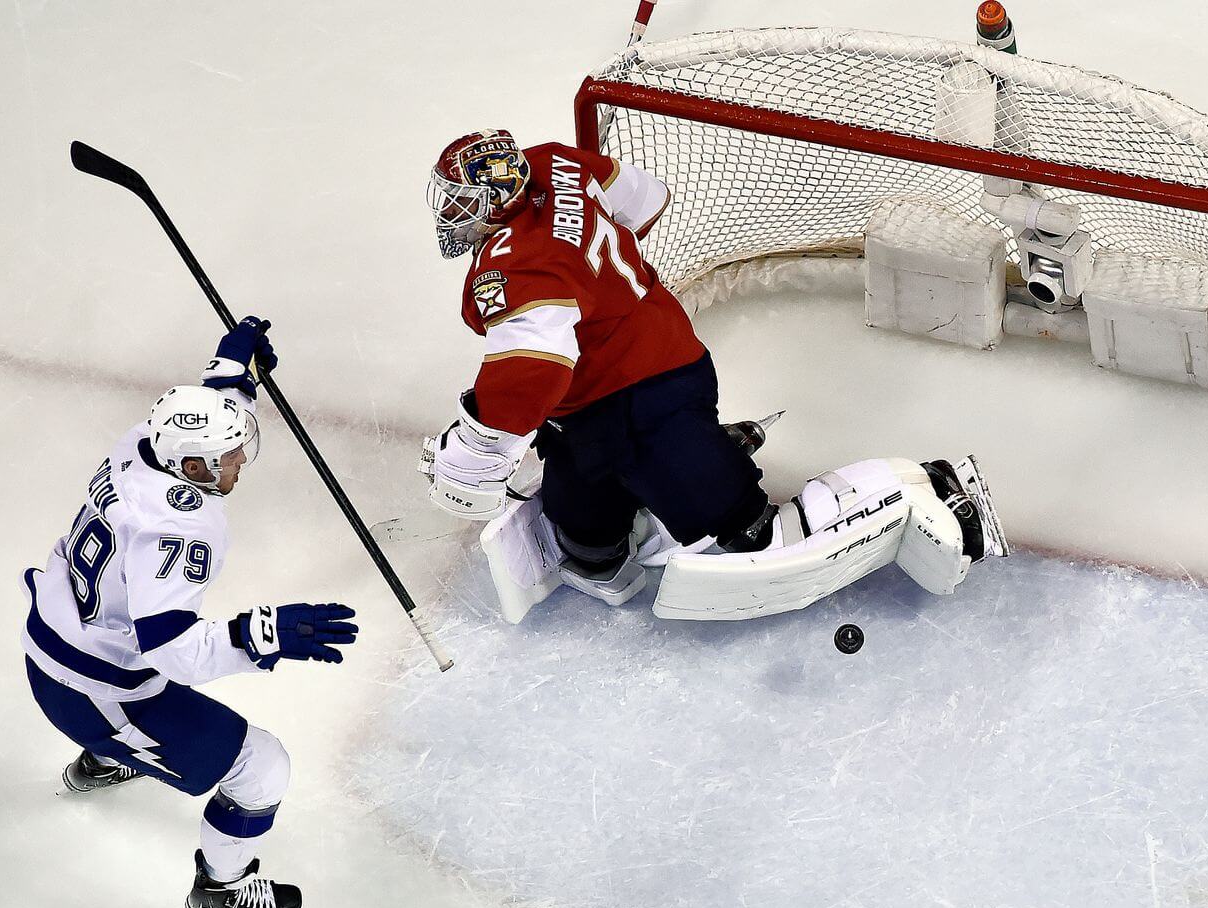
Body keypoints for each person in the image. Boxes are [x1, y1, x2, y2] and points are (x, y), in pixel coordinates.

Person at [422, 129, 1009, 623]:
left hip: (652, 394)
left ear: (492, 198)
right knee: (589, 549)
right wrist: (589, 269)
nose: (449, 212)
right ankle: (672, 478)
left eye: (458, 200)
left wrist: (479, 448)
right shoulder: (556, 161)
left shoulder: (513, 267)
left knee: (748, 536)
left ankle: (930, 490)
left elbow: (533, 370)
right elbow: (644, 200)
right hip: (612, 396)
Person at [20, 317, 359, 908]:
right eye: (227, 459)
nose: (239, 464)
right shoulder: (176, 529)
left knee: (143, 693)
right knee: (263, 768)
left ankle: (106, 758)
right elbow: (173, 654)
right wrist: (266, 633)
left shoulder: (143, 444)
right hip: (92, 694)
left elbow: (194, 423)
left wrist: (229, 372)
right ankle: (220, 891)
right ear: (193, 469)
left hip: (58, 640)